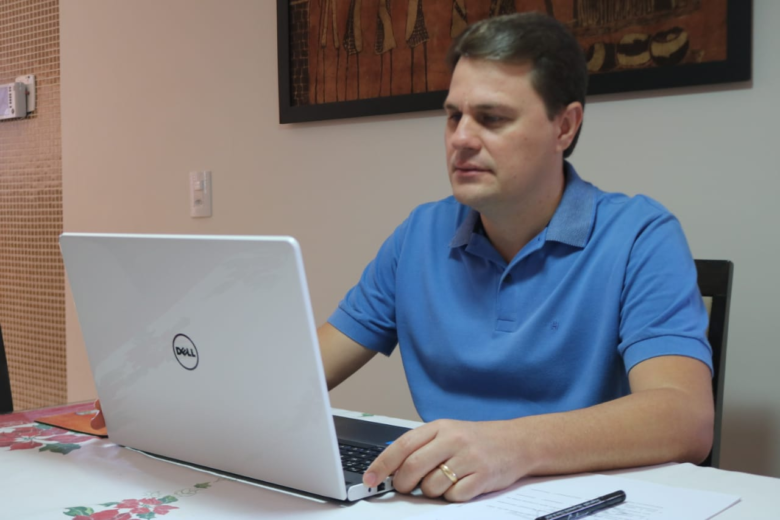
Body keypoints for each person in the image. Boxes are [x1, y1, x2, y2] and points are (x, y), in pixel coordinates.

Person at [95, 12, 714, 503]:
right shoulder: (421, 234)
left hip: (574, 502)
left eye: (492, 118)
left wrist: (511, 447)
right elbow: (304, 370)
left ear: (565, 127)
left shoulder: (640, 234)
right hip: (442, 500)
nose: (461, 138)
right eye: (453, 116)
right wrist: (170, 396)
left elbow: (685, 419)